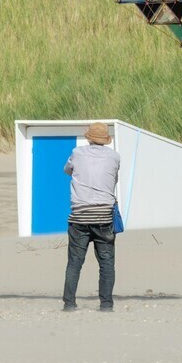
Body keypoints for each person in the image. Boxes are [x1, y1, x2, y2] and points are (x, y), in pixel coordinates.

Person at [62, 122, 120, 312]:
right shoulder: (114, 156)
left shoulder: (77, 153)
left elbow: (67, 170)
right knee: (106, 263)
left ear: (88, 137)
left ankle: (69, 303)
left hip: (80, 216)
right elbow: (113, 177)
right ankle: (106, 304)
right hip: (104, 215)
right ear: (105, 140)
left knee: (75, 263)